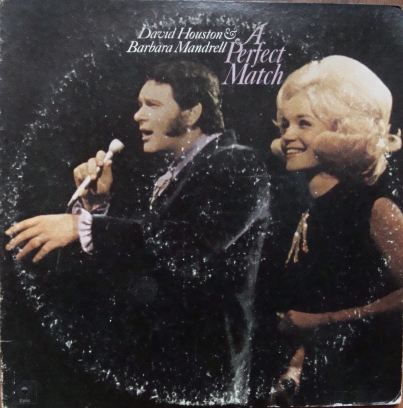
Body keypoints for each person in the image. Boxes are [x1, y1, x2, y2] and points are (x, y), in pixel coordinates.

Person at [5, 61, 270, 405]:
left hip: (201, 376)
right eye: (140, 104)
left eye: (152, 105)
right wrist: (96, 205)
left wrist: (81, 226)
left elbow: (187, 245)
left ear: (192, 113)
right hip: (169, 370)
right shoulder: (184, 169)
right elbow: (147, 259)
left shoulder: (236, 162)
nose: (138, 115)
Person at [254, 55, 403, 406]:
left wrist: (323, 320)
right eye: (285, 124)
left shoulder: (377, 208)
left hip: (360, 382)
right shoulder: (303, 206)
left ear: (343, 130)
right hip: (306, 380)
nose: (287, 136)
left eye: (303, 123)